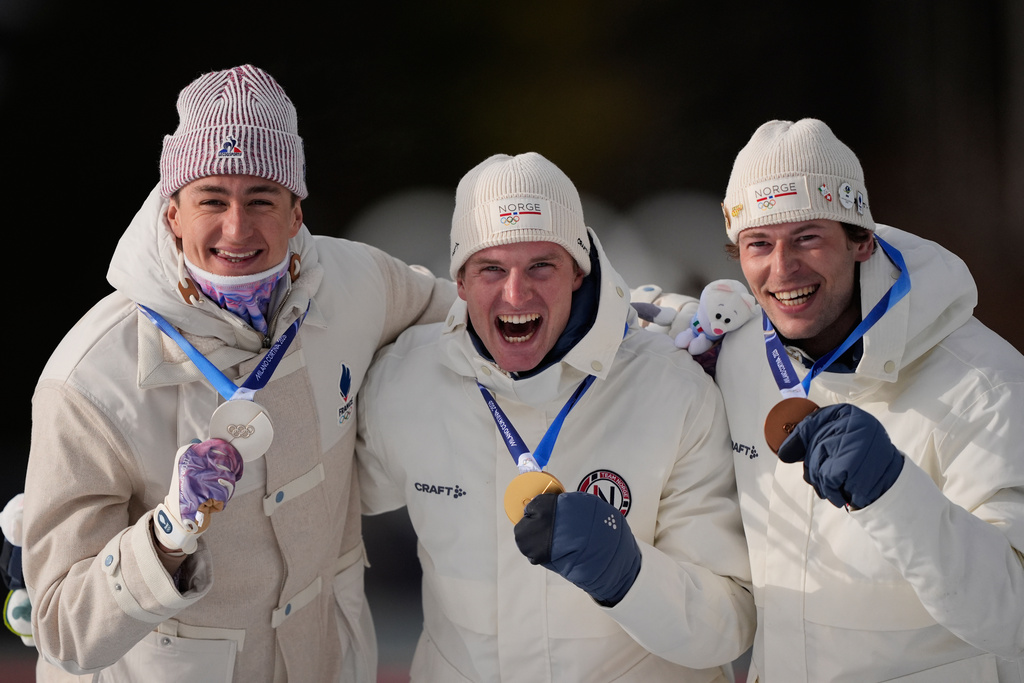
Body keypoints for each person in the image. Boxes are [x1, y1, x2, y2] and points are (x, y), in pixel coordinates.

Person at [22, 64, 454, 682]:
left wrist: (608, 317)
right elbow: (63, 628)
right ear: (172, 212)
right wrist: (167, 535)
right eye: (211, 200)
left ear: (297, 210)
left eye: (261, 199)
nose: (236, 227)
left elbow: (480, 322)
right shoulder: (92, 381)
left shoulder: (359, 283)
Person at [356, 152, 755, 682]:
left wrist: (628, 576)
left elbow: (729, 624)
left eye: (541, 265)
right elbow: (311, 514)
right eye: (491, 268)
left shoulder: (670, 388)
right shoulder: (404, 382)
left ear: (578, 271)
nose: (516, 293)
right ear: (459, 280)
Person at [704, 118, 1024, 681]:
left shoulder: (986, 385)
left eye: (807, 237)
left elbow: (1016, 616)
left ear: (862, 240)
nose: (782, 270)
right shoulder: (738, 355)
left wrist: (895, 494)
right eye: (759, 243)